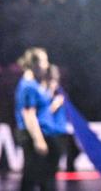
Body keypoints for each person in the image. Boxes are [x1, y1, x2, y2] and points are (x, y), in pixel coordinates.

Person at [14, 47, 56, 191]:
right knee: (31, 177)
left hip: (42, 133)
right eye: (44, 61)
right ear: (34, 64)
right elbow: (29, 114)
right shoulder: (28, 86)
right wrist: (38, 140)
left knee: (43, 177)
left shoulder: (36, 84)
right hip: (32, 136)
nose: (47, 65)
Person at [40, 65, 71, 177]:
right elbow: (42, 114)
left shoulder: (60, 95)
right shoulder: (43, 95)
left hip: (60, 132)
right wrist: (54, 105)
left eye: (56, 81)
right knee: (47, 165)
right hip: (49, 133)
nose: (54, 84)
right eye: (52, 80)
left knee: (56, 164)